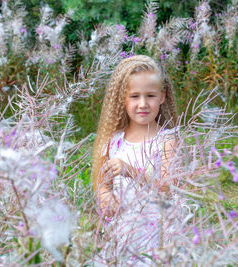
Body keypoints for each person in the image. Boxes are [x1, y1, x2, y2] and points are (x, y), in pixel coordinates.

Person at [91, 55, 180, 265]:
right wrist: (106, 197)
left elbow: (167, 187)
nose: (143, 104)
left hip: (156, 228)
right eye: (134, 96)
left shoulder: (167, 140)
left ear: (162, 96)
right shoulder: (113, 141)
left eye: (150, 95)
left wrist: (131, 170)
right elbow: (102, 184)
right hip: (123, 227)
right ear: (123, 98)